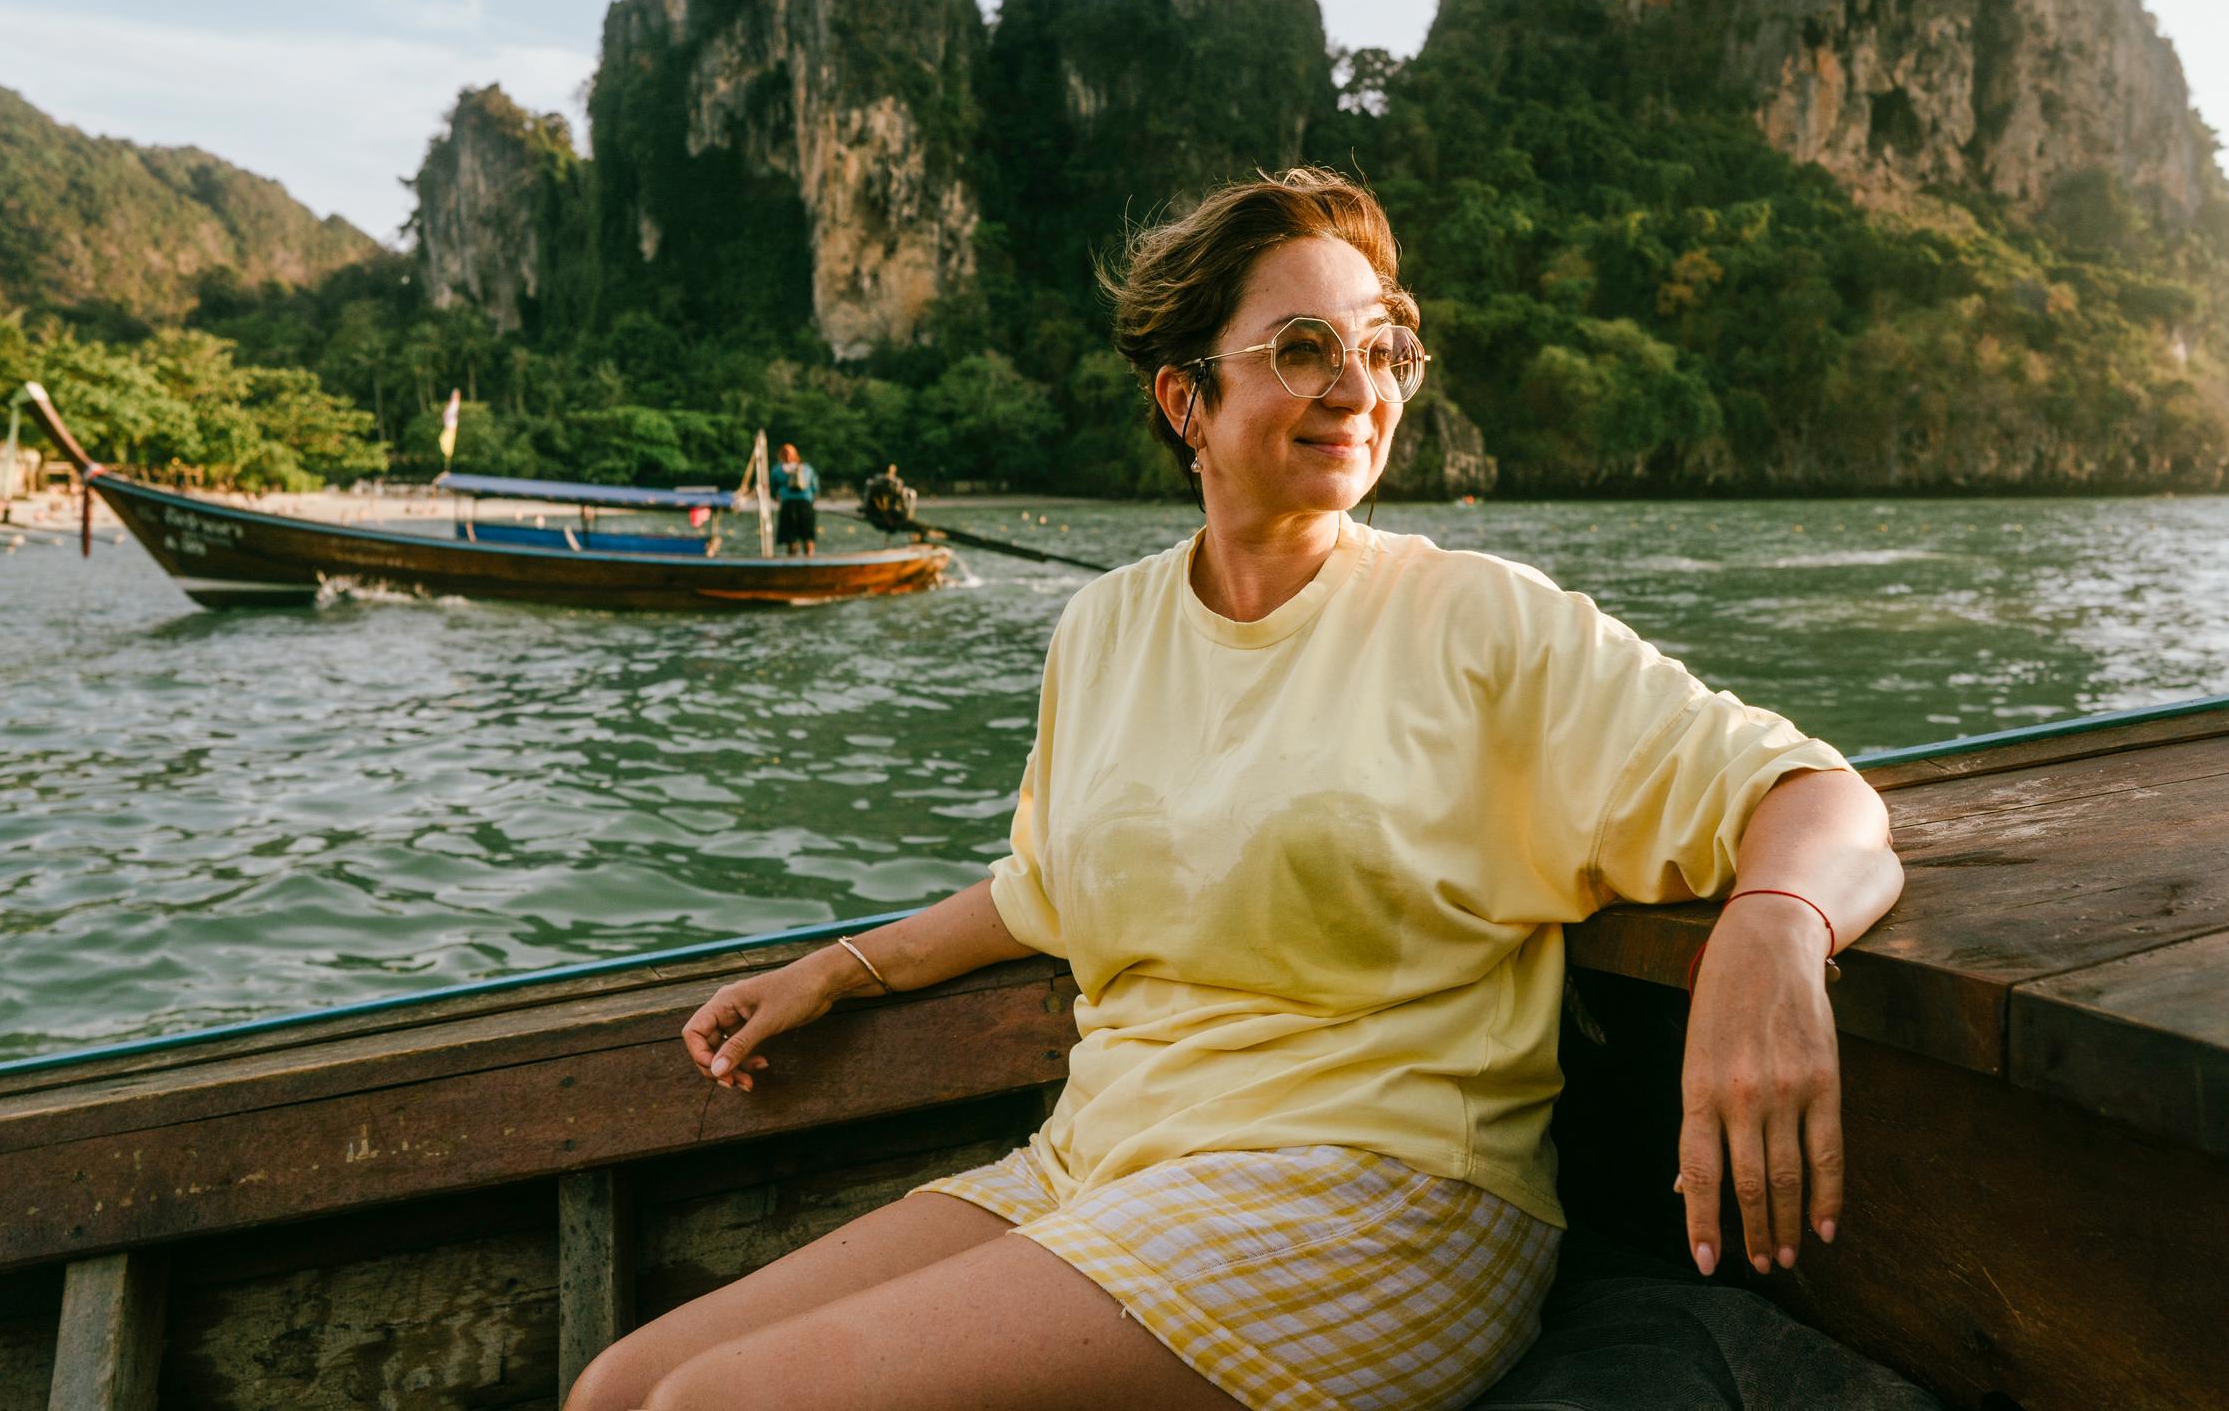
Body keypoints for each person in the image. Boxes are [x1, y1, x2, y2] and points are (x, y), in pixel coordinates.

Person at [567, 169, 1904, 1411]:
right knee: (622, 1389)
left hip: (1387, 1190)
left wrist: (1774, 930)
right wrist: (845, 970)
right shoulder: (1105, 629)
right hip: (1105, 1160)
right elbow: (1047, 888)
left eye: (1382, 350)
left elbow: (1809, 791)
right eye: (1305, 350)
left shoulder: (1475, 620)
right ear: (1186, 401)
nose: (1356, 387)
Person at [768, 442, 817, 557]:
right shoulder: (806, 468)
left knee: (791, 537)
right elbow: (815, 486)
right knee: (807, 536)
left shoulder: (777, 470)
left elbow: (773, 488)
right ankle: (809, 558)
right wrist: (812, 499)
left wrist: (775, 497)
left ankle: (792, 560)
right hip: (805, 503)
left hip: (788, 504)